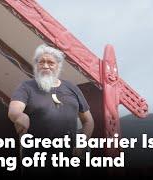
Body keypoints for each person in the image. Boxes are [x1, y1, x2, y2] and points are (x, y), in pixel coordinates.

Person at [8, 44, 94, 175]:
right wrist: (20, 116)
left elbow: (88, 121)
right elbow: (14, 110)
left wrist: (82, 143)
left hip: (69, 156)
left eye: (50, 62)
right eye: (41, 62)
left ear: (58, 66)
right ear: (36, 65)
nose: (45, 65)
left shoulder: (71, 87)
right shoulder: (27, 87)